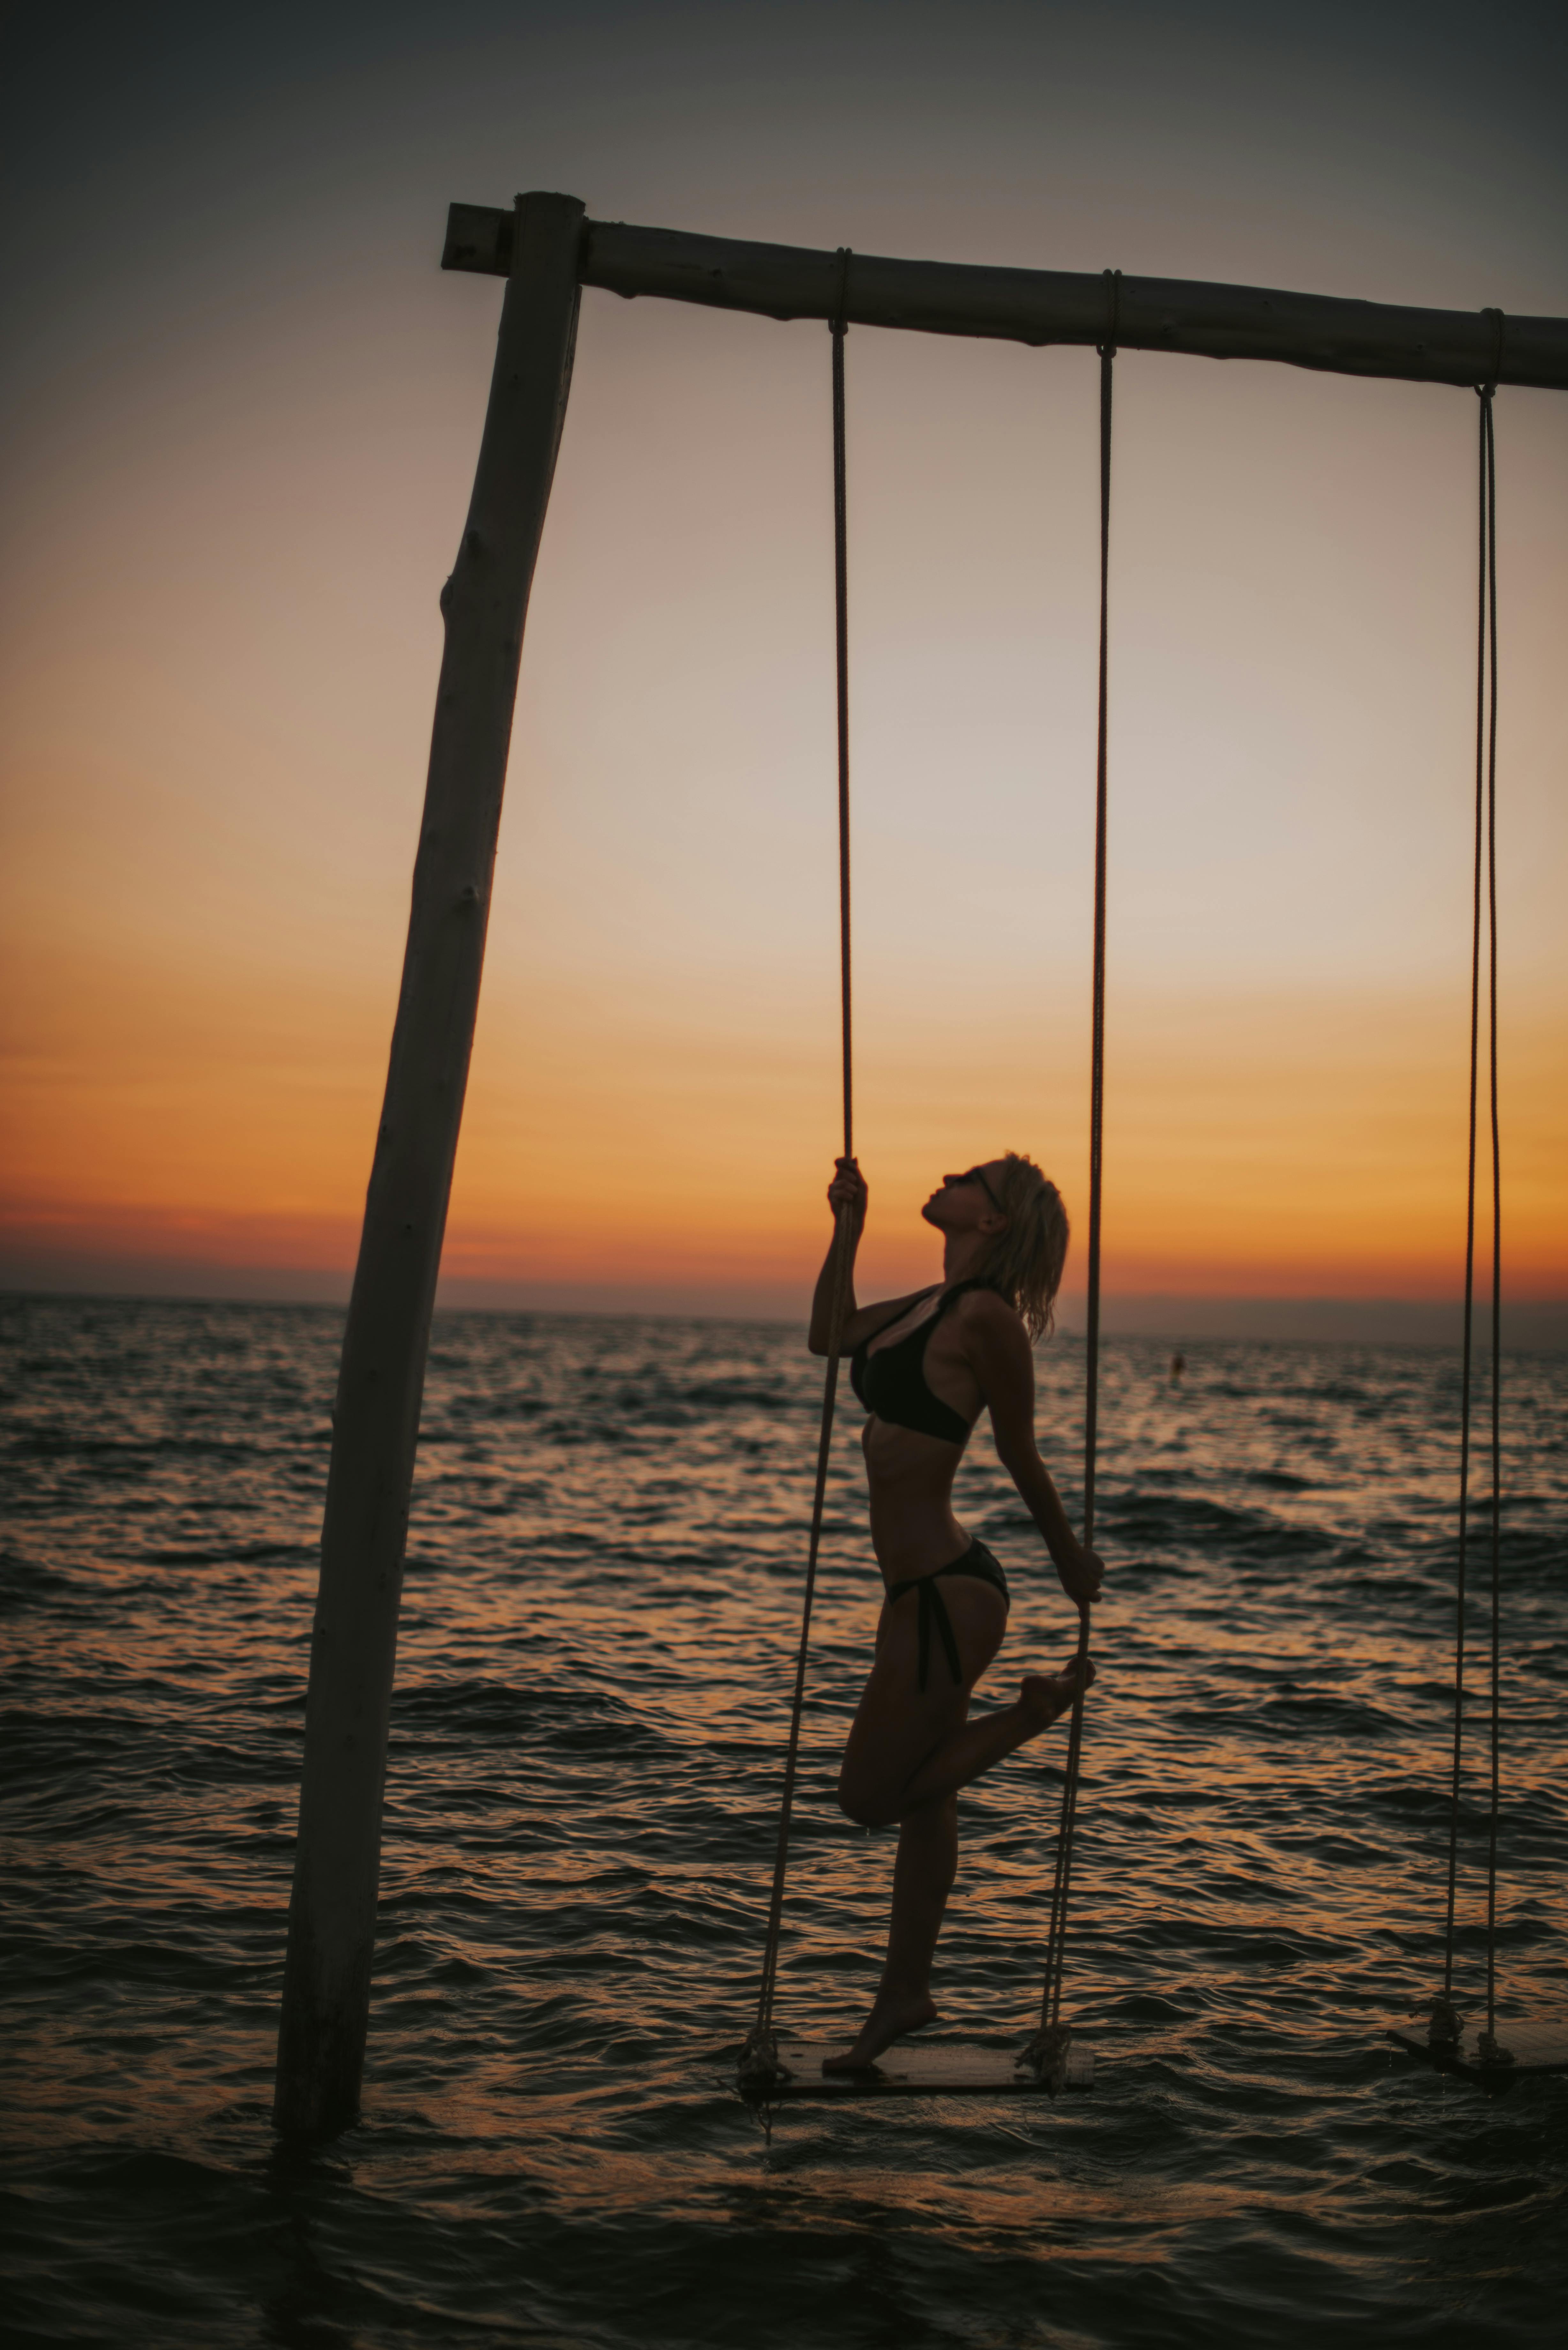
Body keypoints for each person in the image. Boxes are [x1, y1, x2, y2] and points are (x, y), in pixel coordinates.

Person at [808, 1151, 1104, 2071]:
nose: (947, 1174)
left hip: (950, 1593)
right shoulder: (926, 1307)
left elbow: (1020, 1453)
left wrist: (1069, 1560)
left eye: (971, 1176)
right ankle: (904, 1996)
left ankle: (1031, 1713)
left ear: (994, 1221)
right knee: (924, 1789)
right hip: (914, 1594)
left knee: (867, 1798)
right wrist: (847, 1230)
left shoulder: (986, 1321)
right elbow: (829, 1335)